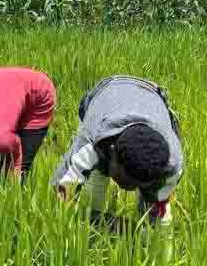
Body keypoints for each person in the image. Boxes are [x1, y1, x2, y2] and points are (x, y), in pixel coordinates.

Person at [51, 75, 183, 233]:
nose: (129, 189)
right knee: (97, 181)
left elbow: (158, 210)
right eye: (124, 181)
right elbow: (61, 198)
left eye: (137, 184)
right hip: (108, 91)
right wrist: (112, 225)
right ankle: (91, 236)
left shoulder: (171, 166)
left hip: (152, 96)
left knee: (157, 216)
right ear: (112, 151)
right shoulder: (91, 141)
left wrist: (149, 235)